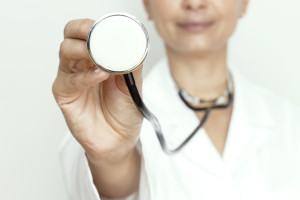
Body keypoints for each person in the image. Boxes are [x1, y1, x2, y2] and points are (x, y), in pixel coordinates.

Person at [52, 0, 300, 199]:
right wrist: (111, 159)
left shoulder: (290, 121)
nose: (194, 3)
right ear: (147, 4)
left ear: (244, 3)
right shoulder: (102, 113)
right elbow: (115, 189)